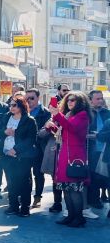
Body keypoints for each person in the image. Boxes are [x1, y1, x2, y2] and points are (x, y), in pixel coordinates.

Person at [46, 91, 90, 228]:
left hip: (75, 155)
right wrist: (51, 127)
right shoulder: (69, 115)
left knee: (74, 189)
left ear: (80, 103)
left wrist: (57, 115)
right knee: (65, 187)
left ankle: (79, 217)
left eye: (73, 100)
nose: (70, 102)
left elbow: (72, 128)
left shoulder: (83, 115)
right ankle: (71, 216)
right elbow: (64, 132)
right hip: (65, 153)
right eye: (68, 100)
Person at [0, 96, 38, 217]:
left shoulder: (29, 120)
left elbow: (30, 139)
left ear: (21, 106)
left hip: (22, 156)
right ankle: (13, 205)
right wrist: (4, 132)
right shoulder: (6, 117)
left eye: (14, 105)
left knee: (24, 182)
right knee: (10, 181)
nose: (11, 107)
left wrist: (15, 149)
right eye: (10, 105)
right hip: (6, 155)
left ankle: (25, 207)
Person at [86, 90, 109, 219]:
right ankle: (94, 200)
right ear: (90, 100)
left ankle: (103, 196)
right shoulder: (87, 114)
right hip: (92, 149)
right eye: (97, 99)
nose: (100, 101)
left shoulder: (108, 113)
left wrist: (99, 135)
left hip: (106, 150)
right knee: (93, 176)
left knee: (106, 177)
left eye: (101, 98)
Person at [26, 89, 50, 207]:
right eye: (27, 98)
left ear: (38, 98)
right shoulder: (23, 111)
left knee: (38, 173)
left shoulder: (45, 112)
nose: (29, 101)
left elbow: (48, 131)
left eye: (32, 98)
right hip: (25, 147)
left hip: (38, 147)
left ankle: (38, 197)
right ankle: (25, 195)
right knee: (25, 173)